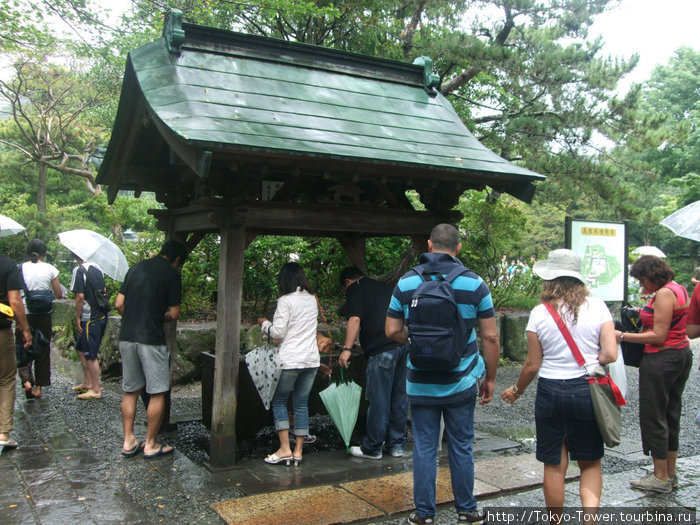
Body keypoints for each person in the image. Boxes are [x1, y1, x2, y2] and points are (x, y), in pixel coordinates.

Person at [385, 224, 499, 524]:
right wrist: (489, 377)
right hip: (461, 380)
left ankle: (424, 513)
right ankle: (467, 509)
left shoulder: (407, 282)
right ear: (458, 248)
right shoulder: (475, 284)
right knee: (461, 443)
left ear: (430, 245)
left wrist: (417, 340)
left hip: (420, 380)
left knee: (424, 446)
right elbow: (490, 338)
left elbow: (391, 330)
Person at [501, 249, 617, 521]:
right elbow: (610, 354)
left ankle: (556, 521)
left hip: (550, 390)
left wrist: (516, 391)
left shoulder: (540, 313)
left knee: (554, 464)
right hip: (586, 389)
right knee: (590, 462)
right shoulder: (599, 307)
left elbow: (532, 364)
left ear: (549, 279)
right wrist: (594, 359)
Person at [615, 255, 691, 493]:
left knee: (654, 416)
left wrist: (623, 336)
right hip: (680, 354)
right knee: (671, 414)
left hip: (661, 358)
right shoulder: (679, 289)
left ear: (653, 275)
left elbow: (658, 335)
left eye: (643, 280)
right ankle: (669, 472)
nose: (642, 286)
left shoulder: (664, 294)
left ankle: (659, 477)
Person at [115, 240, 186, 459]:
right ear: (176, 259)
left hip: (127, 337)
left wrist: (133, 317)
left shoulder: (136, 267)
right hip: (151, 339)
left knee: (131, 390)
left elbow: (119, 303)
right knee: (157, 391)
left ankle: (128, 441)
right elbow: (174, 314)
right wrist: (159, 317)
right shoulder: (172, 274)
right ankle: (151, 443)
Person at [338, 266, 409, 460]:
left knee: (379, 399)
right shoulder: (384, 287)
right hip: (403, 346)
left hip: (381, 349)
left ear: (347, 282)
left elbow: (354, 319)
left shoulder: (355, 288)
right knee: (399, 397)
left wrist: (347, 349)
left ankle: (373, 447)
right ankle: (396, 445)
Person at [258, 262, 319, 466]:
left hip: (290, 360)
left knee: (280, 401)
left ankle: (285, 448)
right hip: (311, 360)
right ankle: (299, 450)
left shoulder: (285, 301)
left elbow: (277, 333)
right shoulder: (311, 300)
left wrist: (264, 324)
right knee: (301, 403)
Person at [17, 238, 62, 399]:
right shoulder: (51, 269)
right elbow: (59, 294)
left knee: (23, 348)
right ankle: (39, 388)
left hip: (24, 314)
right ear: (44, 252)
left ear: (28, 252)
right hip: (44, 315)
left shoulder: (19, 268)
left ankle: (26, 381)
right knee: (42, 350)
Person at [0, 237, 32, 447]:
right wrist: (25, 329)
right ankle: (3, 434)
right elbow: (14, 301)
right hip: (1, 330)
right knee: (5, 379)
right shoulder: (7, 265)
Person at [69, 253, 110, 400]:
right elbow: (103, 289)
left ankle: (96, 389)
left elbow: (79, 296)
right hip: (101, 315)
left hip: (90, 318)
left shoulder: (79, 270)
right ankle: (87, 382)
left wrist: (78, 317)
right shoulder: (98, 268)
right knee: (80, 347)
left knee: (91, 355)